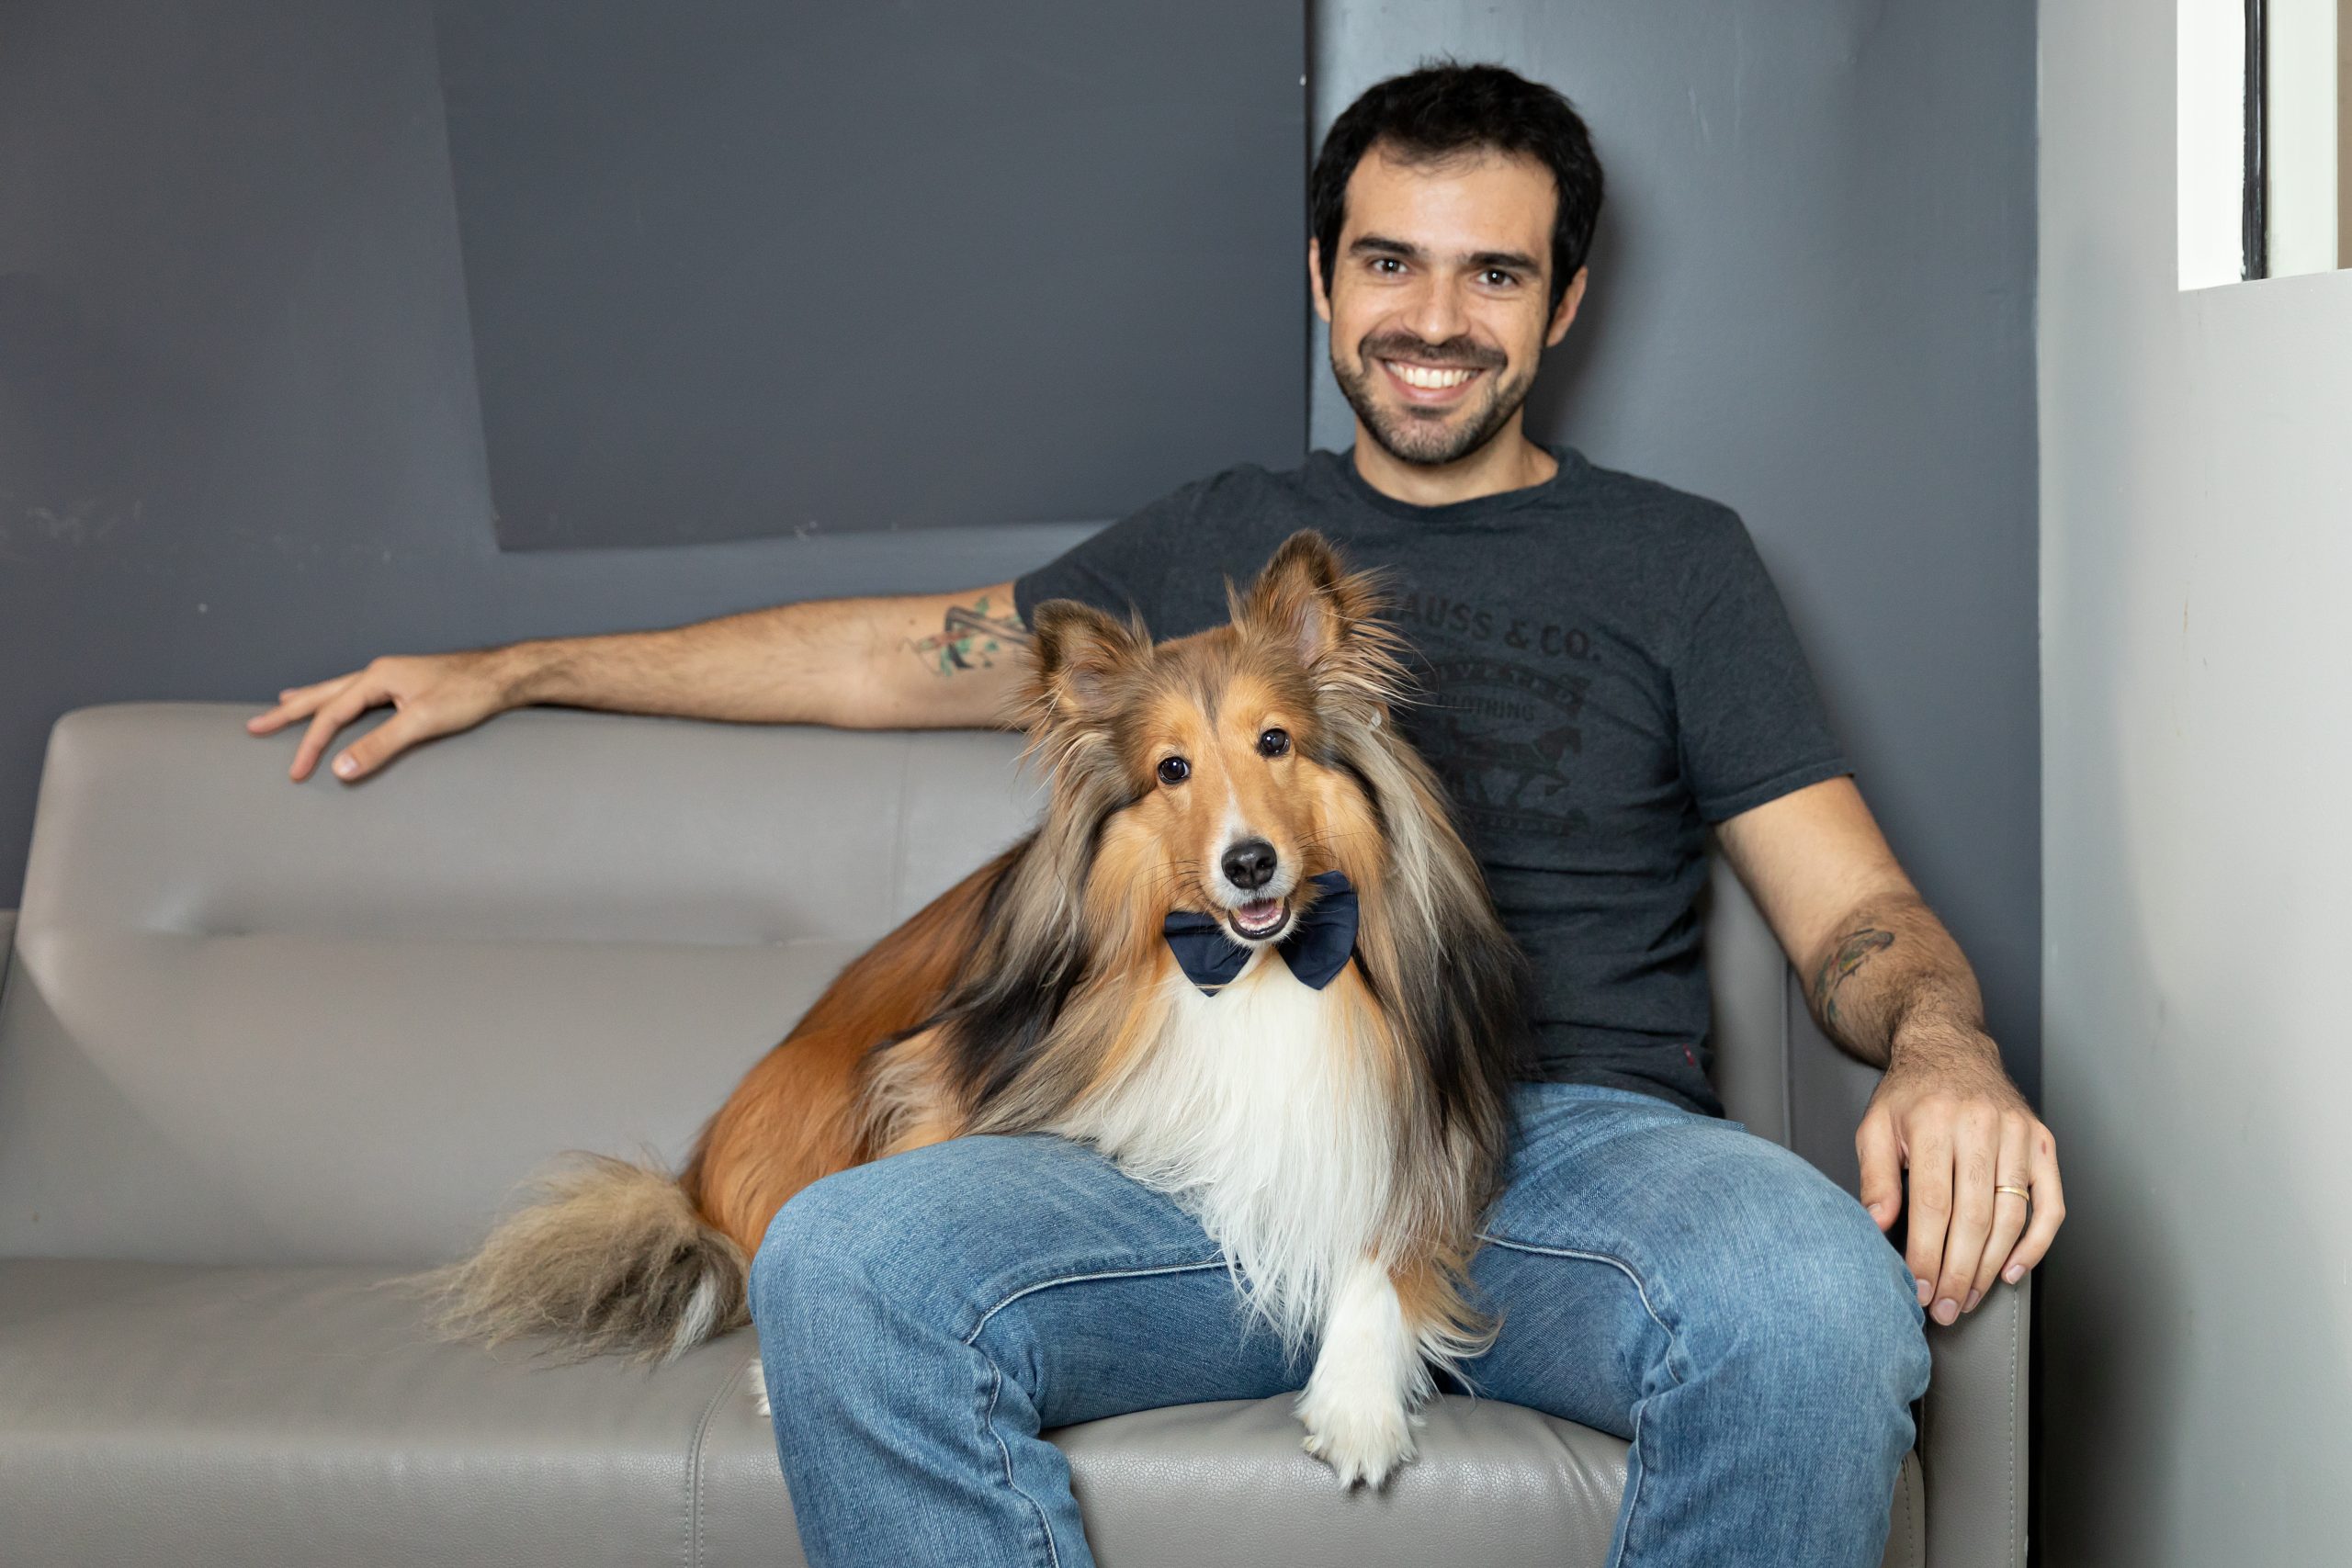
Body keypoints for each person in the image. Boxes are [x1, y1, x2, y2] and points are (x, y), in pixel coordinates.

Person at [248, 62, 2061, 1568]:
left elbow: (1851, 910)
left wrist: (1944, 1047)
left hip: (1557, 1152)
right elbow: (896, 657)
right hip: (1177, 1166)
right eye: (1390, 262)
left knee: (1812, 1304)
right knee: (846, 1260)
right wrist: (525, 665)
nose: (1434, 320)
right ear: (1321, 275)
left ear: (1562, 302)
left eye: (1493, 275)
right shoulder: (1205, 536)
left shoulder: (1678, 560)